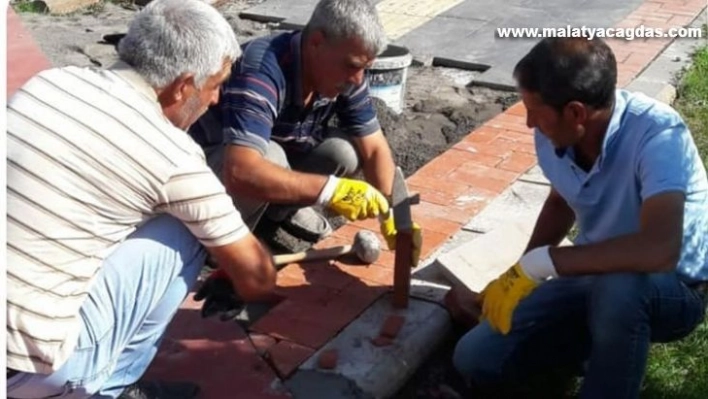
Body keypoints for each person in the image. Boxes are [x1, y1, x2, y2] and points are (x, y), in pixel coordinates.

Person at [6, 1, 277, 398]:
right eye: (215, 85)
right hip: (28, 367)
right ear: (183, 85)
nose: (216, 100)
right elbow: (257, 277)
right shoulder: (175, 156)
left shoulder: (48, 84)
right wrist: (237, 268)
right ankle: (112, 387)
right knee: (185, 231)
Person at [452, 37, 708, 398]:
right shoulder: (555, 132)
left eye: (534, 110)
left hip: (671, 288)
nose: (528, 123)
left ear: (575, 113)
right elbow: (561, 201)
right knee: (475, 358)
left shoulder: (659, 135)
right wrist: (518, 275)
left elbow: (659, 251)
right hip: (593, 275)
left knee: (620, 289)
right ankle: (593, 345)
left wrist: (548, 261)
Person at [189, 0, 422, 264]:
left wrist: (392, 215)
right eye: (352, 65)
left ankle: (274, 216)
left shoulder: (345, 73)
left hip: (268, 164)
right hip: (208, 175)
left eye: (364, 68)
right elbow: (240, 171)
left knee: (344, 151)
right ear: (316, 42)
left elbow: (374, 147)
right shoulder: (261, 71)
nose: (358, 79)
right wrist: (331, 190)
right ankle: (218, 249)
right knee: (270, 156)